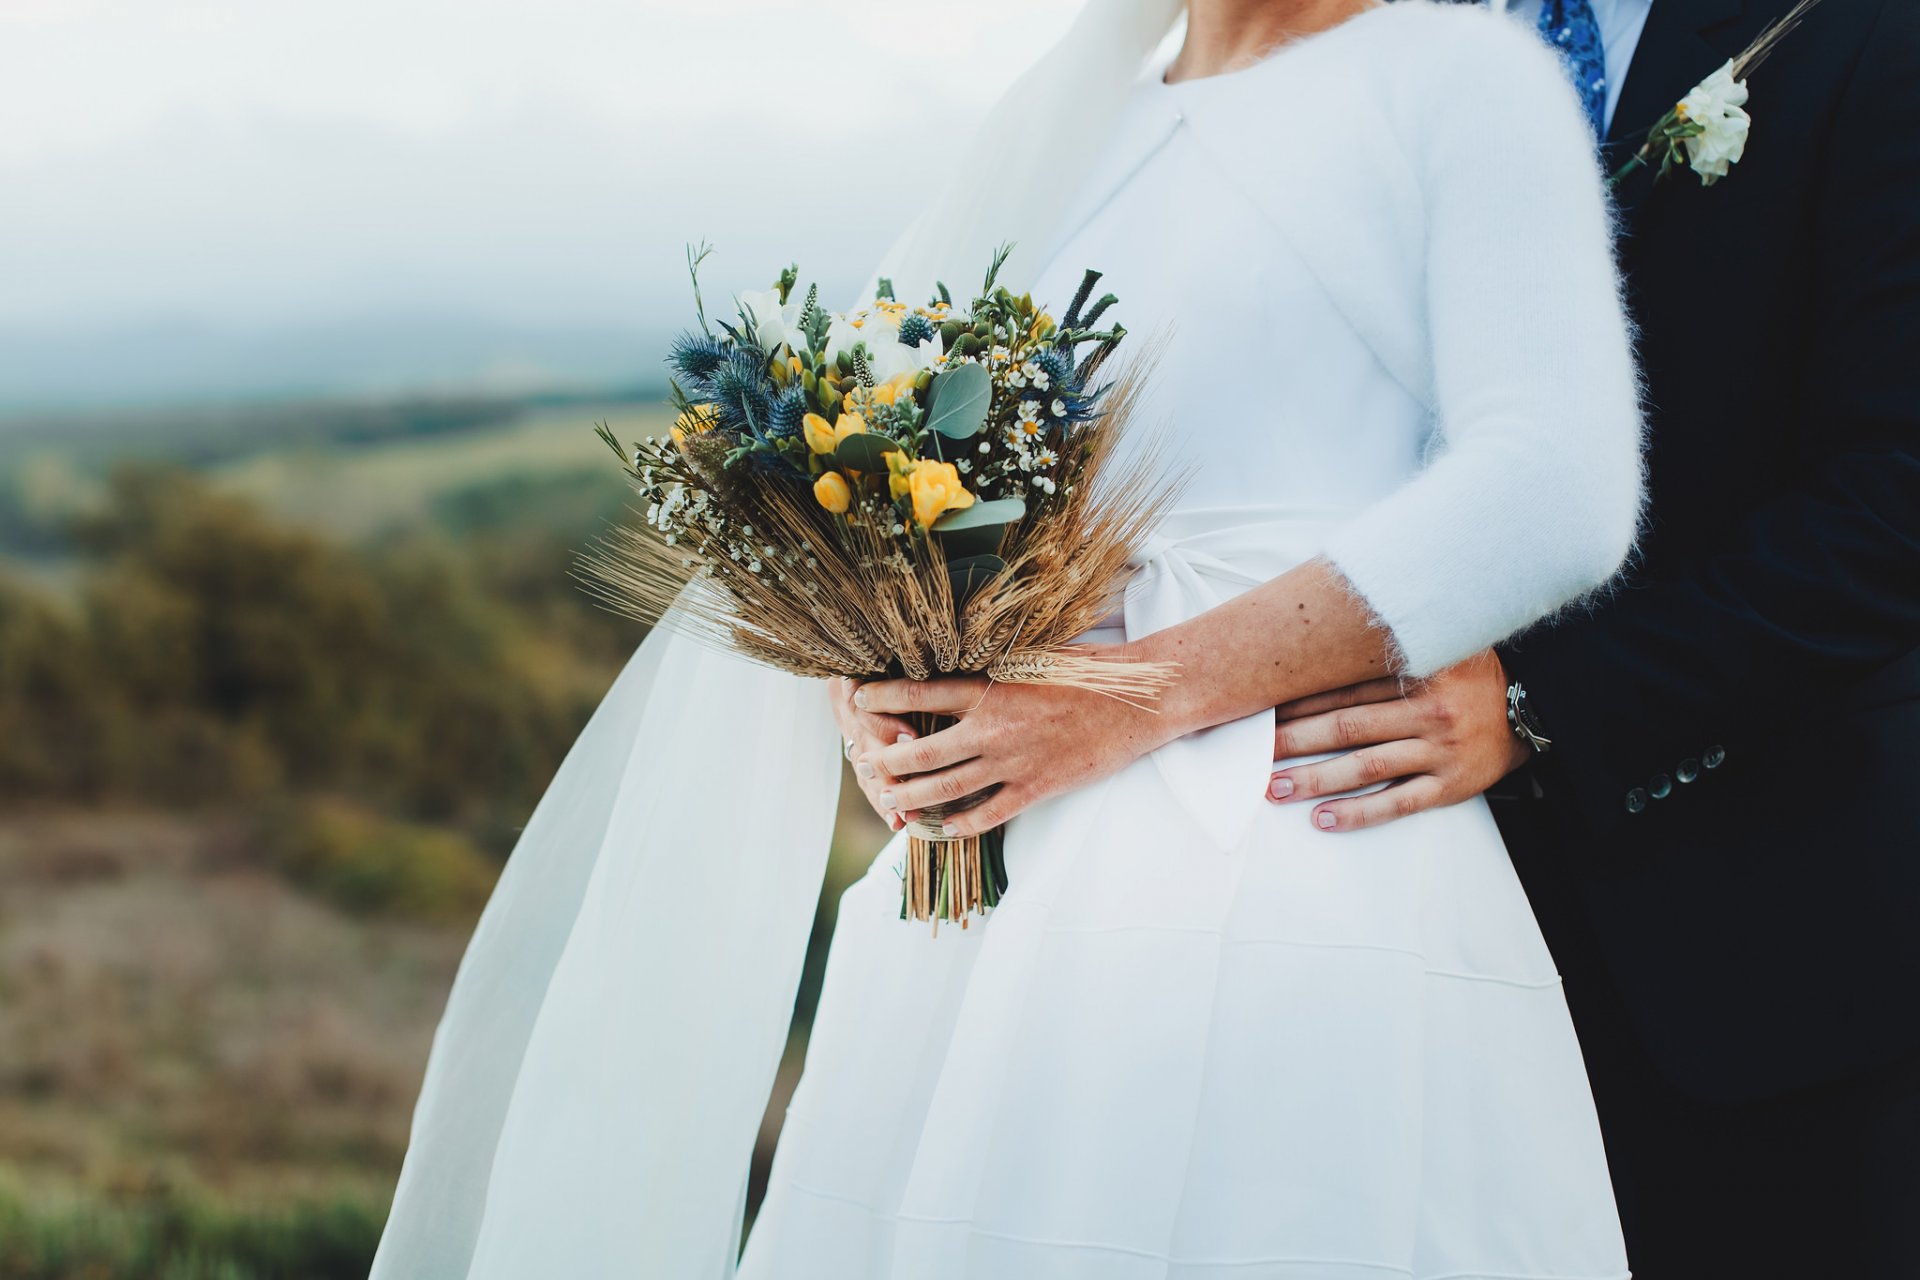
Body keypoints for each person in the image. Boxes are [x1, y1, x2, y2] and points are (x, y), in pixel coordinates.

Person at [370, 1, 1647, 1276]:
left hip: (1303, 853)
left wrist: (1138, 696)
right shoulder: (1080, 125)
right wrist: (881, 674)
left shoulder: (1464, 79)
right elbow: (923, 476)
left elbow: (1557, 489)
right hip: (995, 906)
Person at [1256, 0, 1920, 1275]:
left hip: (1762, 955)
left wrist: (1540, 704)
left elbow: (1893, 502)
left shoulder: (1862, 36)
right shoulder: (1371, 51)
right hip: (1386, 941)